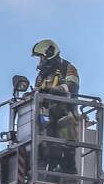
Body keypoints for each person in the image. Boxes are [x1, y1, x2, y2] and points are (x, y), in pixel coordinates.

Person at [31, 39, 80, 174]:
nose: (40, 61)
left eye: (41, 57)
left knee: (66, 127)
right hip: (47, 113)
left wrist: (54, 90)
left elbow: (72, 86)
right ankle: (48, 166)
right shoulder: (41, 76)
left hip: (65, 111)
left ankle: (69, 167)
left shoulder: (68, 67)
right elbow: (37, 92)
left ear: (49, 54)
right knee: (43, 135)